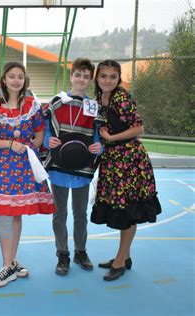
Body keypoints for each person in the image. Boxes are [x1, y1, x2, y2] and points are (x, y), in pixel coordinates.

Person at [0, 61, 55, 287]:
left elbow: (40, 136)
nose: (16, 80)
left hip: (24, 166)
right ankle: (7, 264)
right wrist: (10, 144)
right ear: (4, 80)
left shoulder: (33, 106)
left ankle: (10, 260)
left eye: (20, 76)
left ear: (24, 80)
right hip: (1, 167)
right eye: (12, 76)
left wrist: (29, 145)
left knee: (16, 214)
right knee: (4, 214)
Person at [91, 59, 162, 281]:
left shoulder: (121, 98)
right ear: (98, 78)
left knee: (128, 210)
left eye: (113, 77)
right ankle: (125, 257)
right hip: (114, 160)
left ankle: (120, 262)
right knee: (122, 208)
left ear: (118, 78)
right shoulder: (100, 98)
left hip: (129, 161)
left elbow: (139, 128)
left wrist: (111, 138)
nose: (108, 80)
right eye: (104, 76)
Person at [43, 58, 103, 276]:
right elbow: (47, 128)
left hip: (82, 170)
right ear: (71, 76)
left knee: (80, 213)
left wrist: (99, 147)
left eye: (86, 76)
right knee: (59, 214)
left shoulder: (93, 106)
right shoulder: (57, 102)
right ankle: (62, 254)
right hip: (59, 167)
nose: (81, 79)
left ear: (90, 80)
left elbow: (97, 136)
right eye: (78, 74)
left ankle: (80, 251)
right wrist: (46, 140)